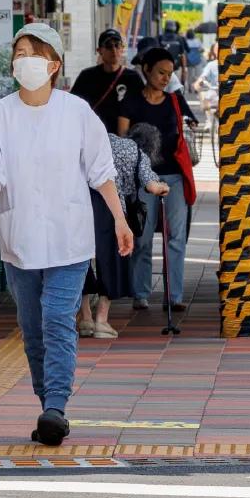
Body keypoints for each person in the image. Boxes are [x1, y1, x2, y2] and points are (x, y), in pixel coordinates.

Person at [0, 23, 132, 447]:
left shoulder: (77, 112)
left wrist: (120, 219)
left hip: (69, 239)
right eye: (19, 53)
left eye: (33, 53)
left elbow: (101, 171)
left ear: (54, 65)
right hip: (20, 238)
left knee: (58, 320)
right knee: (33, 327)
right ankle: (48, 405)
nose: (23, 60)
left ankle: (56, 407)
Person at [117, 47, 197, 310]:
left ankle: (174, 296)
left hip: (175, 176)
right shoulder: (131, 101)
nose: (165, 78)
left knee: (176, 237)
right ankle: (141, 292)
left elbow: (191, 125)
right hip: (143, 180)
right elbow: (122, 142)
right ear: (146, 69)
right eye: (161, 72)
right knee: (142, 237)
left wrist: (191, 124)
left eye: (169, 74)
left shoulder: (175, 100)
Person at [78, 123, 168, 339]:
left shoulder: (105, 139)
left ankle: (85, 318)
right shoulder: (138, 153)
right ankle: (102, 321)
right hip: (112, 209)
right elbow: (150, 183)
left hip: (81, 206)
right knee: (113, 259)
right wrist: (160, 187)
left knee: (79, 259)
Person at [70, 29, 144, 134]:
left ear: (122, 48)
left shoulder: (133, 78)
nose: (114, 50)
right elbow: (73, 106)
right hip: (93, 135)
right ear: (99, 51)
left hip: (123, 138)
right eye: (109, 46)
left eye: (117, 45)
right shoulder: (87, 76)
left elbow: (142, 109)